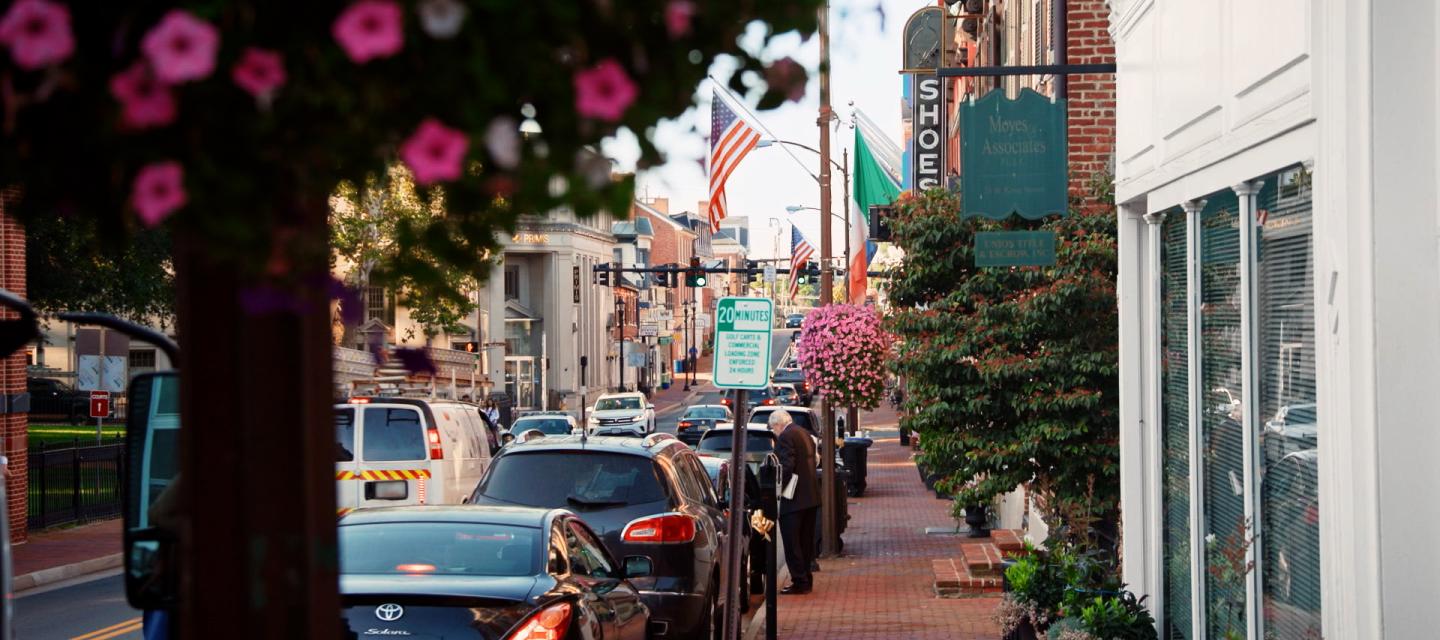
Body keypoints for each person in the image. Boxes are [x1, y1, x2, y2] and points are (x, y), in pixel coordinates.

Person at [770, 409, 818, 595]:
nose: (774, 432)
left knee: (792, 541)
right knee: (806, 541)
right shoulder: (803, 433)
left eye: (773, 428)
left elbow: (786, 466)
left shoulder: (785, 437)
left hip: (794, 498)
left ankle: (799, 580)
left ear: (778, 424)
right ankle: (806, 578)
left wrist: (778, 487)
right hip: (811, 496)